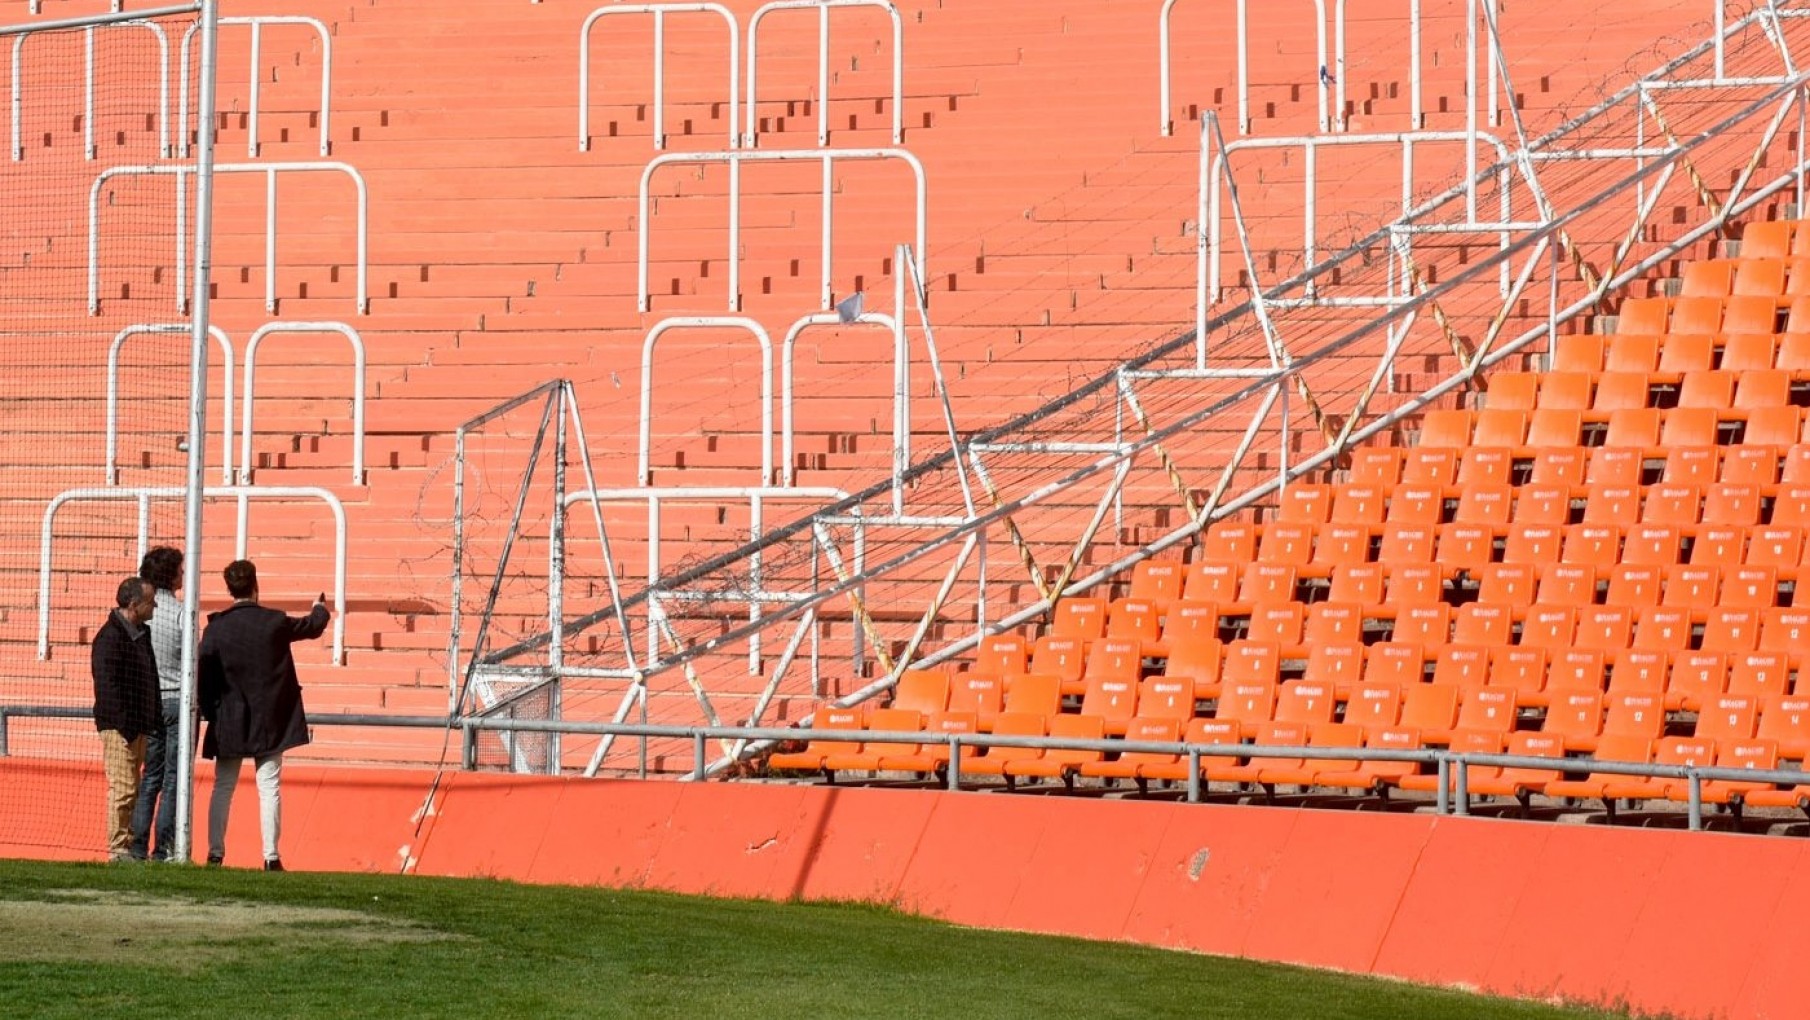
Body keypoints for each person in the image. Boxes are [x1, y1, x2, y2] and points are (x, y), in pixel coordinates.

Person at [198, 559, 330, 871]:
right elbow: (312, 627)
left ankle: (215, 854)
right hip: (270, 719)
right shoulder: (274, 622)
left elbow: (204, 676)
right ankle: (271, 856)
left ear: (229, 589)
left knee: (223, 787)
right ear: (255, 585)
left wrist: (211, 711)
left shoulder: (216, 628)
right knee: (269, 787)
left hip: (229, 719)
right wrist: (319, 608)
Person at [91, 576, 161, 862]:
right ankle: (117, 848)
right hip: (119, 728)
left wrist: (151, 717)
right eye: (150, 601)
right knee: (123, 788)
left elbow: (150, 679)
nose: (155, 606)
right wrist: (126, 726)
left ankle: (127, 846)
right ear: (134, 604)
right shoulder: (109, 638)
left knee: (132, 788)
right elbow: (107, 687)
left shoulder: (140, 634)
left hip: (137, 726)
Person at [128, 546, 186, 862]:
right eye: (179, 569)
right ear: (171, 574)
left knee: (149, 775)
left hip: (150, 700)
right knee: (174, 778)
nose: (183, 574)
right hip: (177, 700)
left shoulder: (140, 615)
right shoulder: (181, 613)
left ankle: (137, 845)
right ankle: (163, 848)